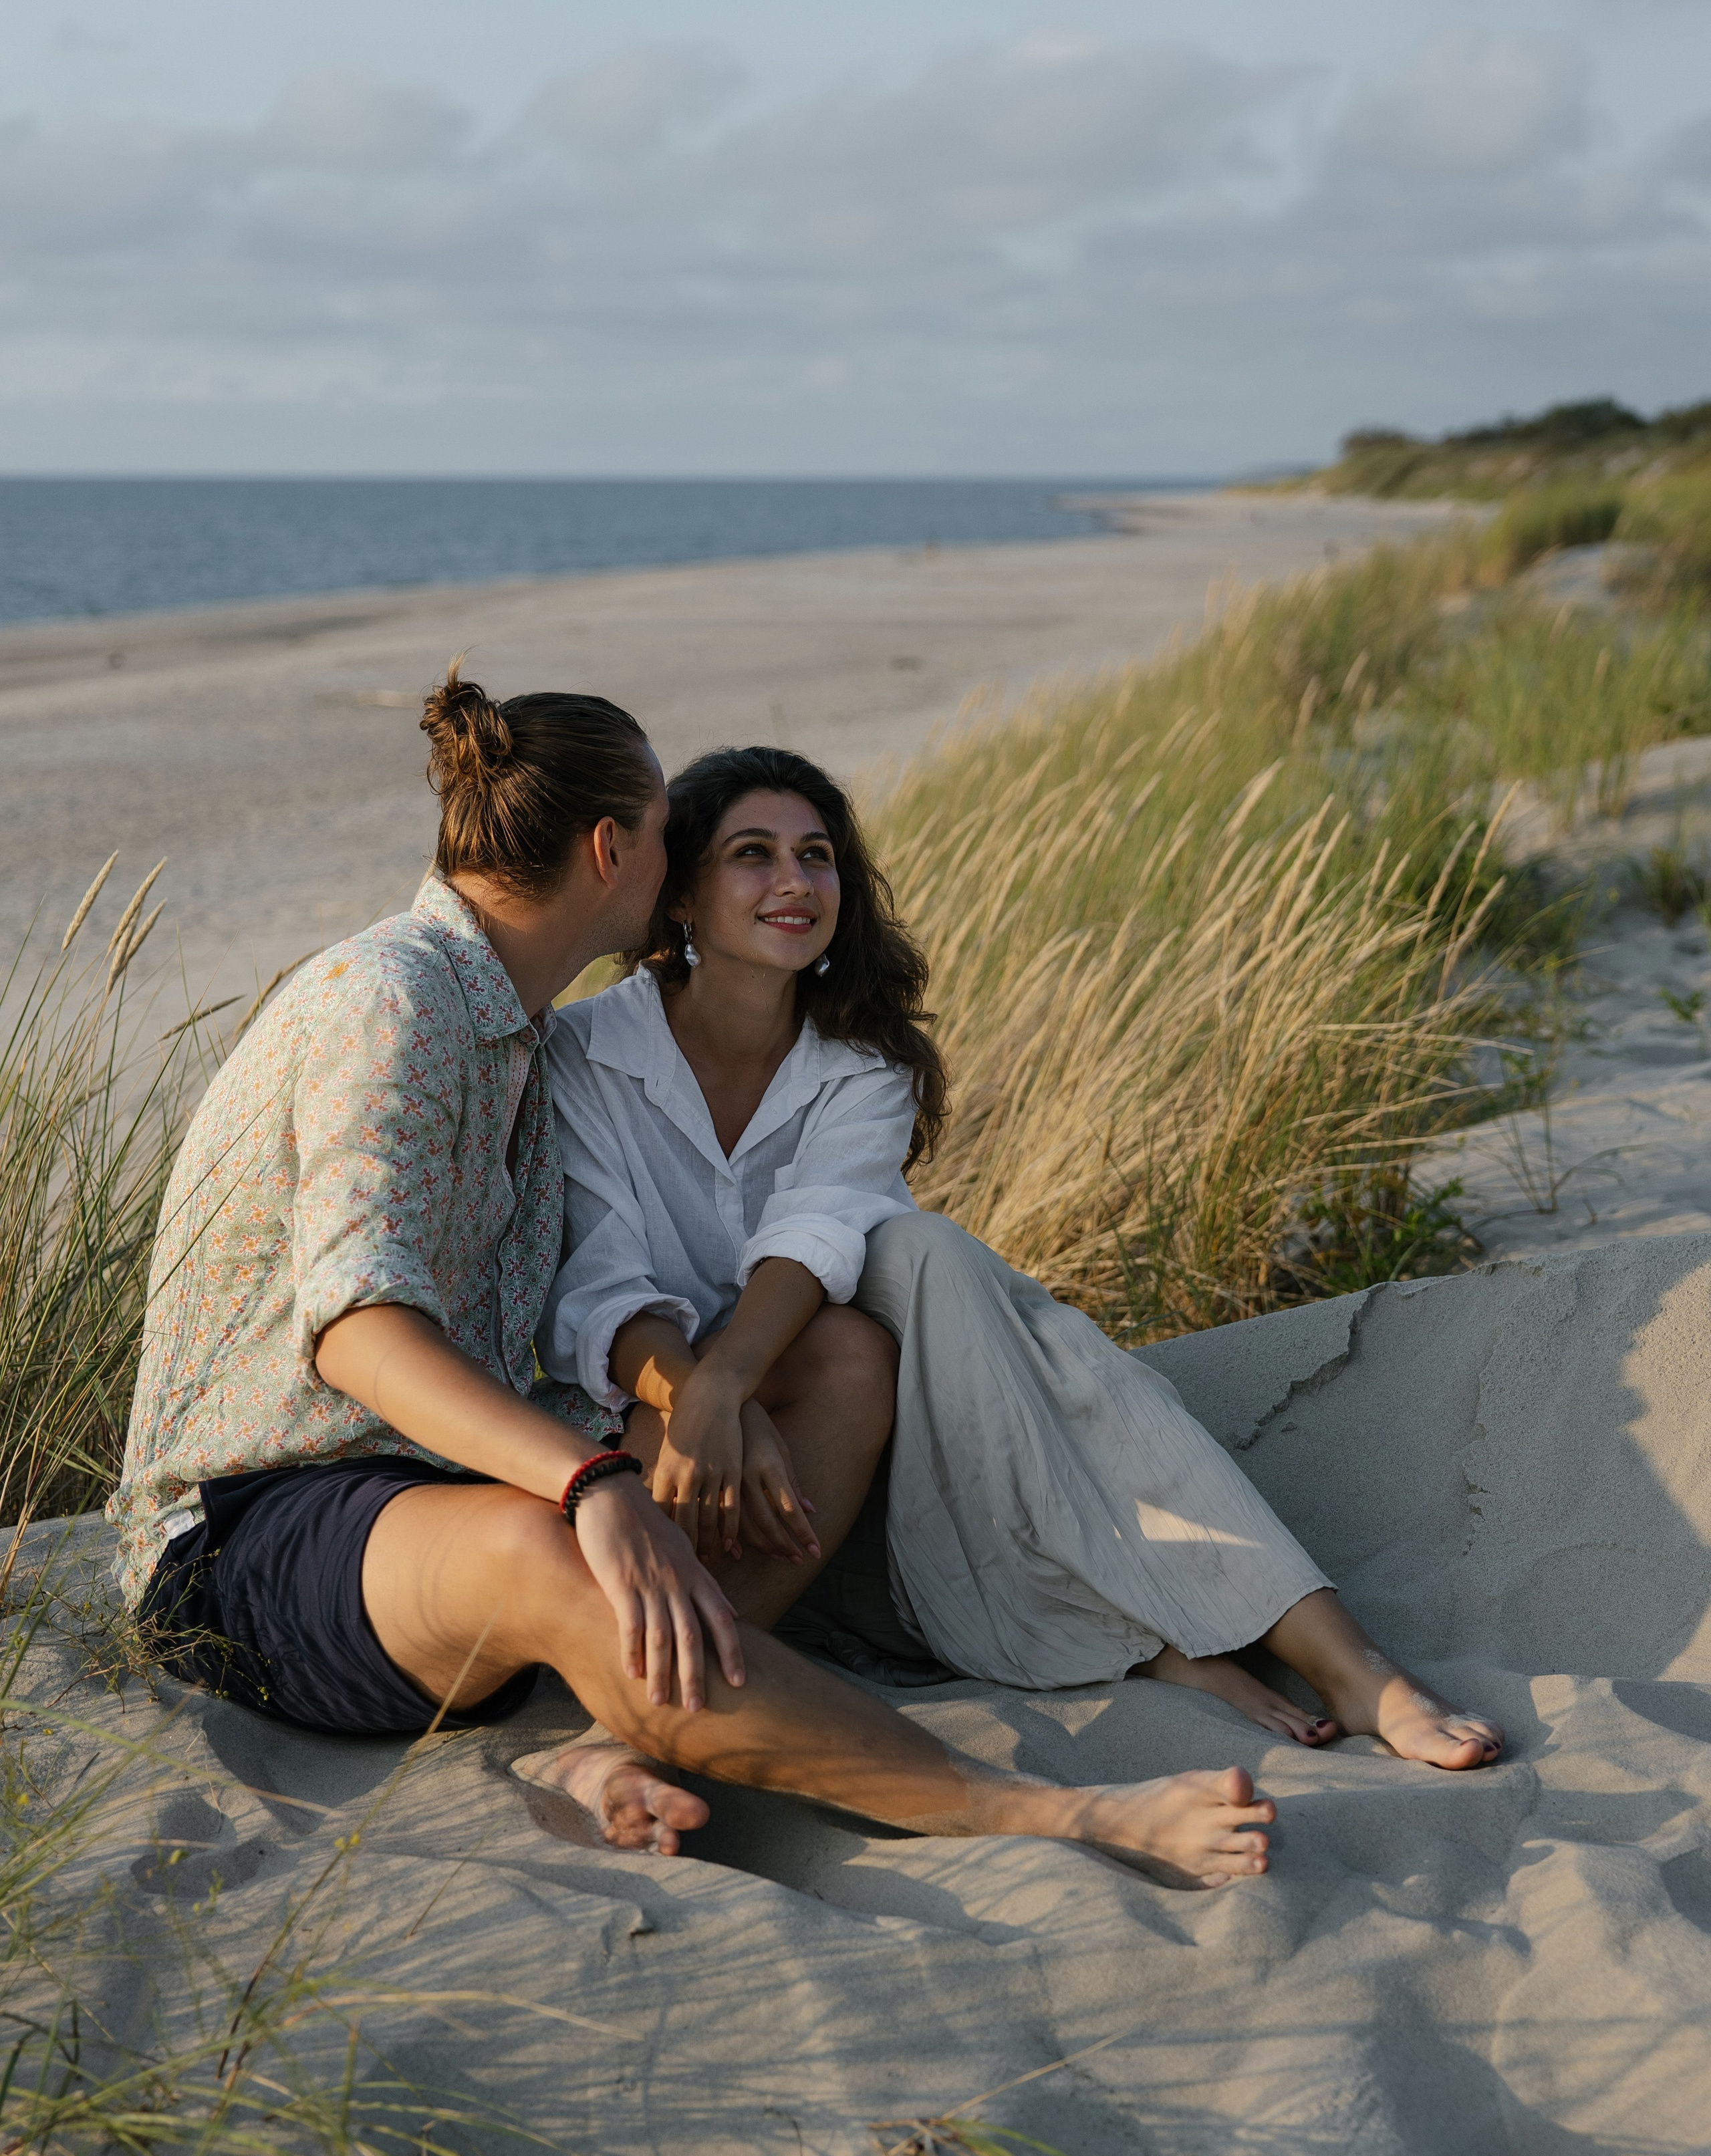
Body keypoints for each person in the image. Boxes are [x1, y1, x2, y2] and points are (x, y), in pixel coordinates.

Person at [109, 668, 1279, 1889]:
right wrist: (595, 1481)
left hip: (433, 1490)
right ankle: (1048, 1813)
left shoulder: (521, 1034)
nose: (684, 868)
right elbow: (358, 1331)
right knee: (541, 1546)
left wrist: (695, 1397)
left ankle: (601, 1744)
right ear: (614, 850)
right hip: (251, 1533)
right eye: (675, 836)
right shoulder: (392, 1000)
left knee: (841, 1360)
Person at [537, 744, 1505, 1773]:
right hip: (648, 1470)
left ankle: (1343, 1661)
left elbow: (816, 1231)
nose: (794, 882)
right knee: (931, 1292)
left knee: (916, 1253)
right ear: (681, 893)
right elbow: (599, 1283)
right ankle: (1157, 1645)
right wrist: (701, 1399)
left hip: (855, 1490)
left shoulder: (863, 1065)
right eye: (753, 854)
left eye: (817, 855)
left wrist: (728, 1386)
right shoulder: (586, 1054)